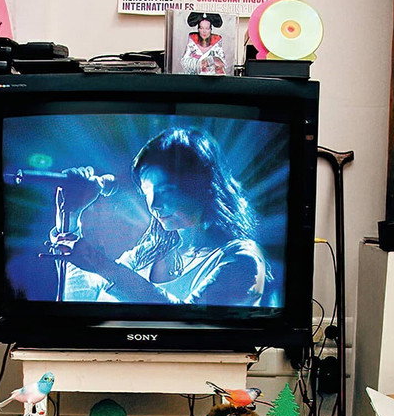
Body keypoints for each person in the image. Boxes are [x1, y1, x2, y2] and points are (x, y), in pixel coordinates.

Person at [47, 127, 270, 306]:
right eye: (147, 193)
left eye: (166, 190)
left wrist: (103, 265)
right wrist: (71, 217)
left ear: (203, 185)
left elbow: (191, 324)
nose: (154, 205)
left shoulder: (243, 259)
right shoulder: (148, 252)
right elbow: (82, 300)